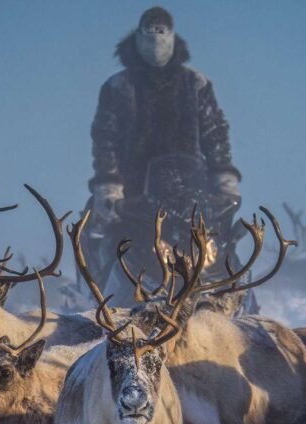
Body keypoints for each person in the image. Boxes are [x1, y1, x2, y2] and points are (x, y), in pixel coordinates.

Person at [83, 7, 253, 310]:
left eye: (162, 34)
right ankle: (102, 308)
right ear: (138, 38)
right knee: (103, 236)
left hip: (192, 188)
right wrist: (108, 184)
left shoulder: (195, 83)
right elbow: (104, 137)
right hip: (134, 193)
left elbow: (215, 131)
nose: (156, 41)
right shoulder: (118, 86)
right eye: (149, 35)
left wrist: (224, 179)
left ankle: (245, 307)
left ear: (173, 38)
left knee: (225, 241)